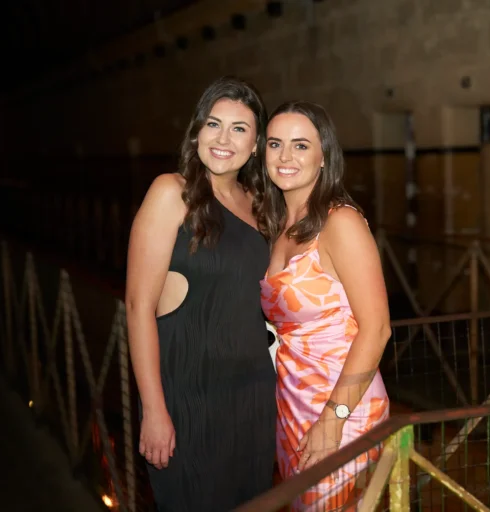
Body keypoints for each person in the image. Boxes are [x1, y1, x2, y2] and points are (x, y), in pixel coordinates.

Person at [125, 76, 277, 511]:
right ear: (197, 133)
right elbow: (138, 308)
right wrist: (154, 409)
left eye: (239, 129)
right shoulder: (171, 192)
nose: (223, 139)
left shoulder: (258, 203)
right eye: (214, 124)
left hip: (252, 399)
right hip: (189, 397)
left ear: (255, 146)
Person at [259, 101, 392, 510]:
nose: (285, 157)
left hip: (342, 405)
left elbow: (378, 328)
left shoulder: (340, 224)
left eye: (301, 146)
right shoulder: (275, 223)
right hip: (292, 400)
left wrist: (333, 419)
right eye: (275, 144)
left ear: (323, 157)